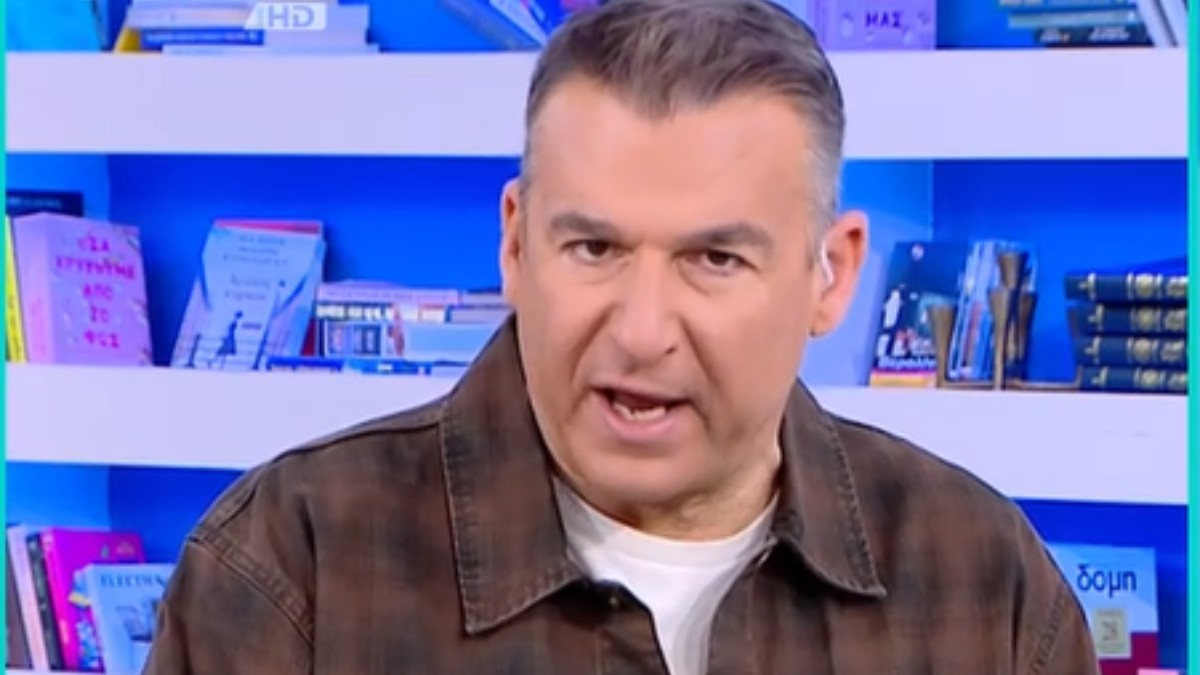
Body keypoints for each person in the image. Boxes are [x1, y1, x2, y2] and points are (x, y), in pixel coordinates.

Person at [143, 1, 1102, 673]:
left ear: (832, 274)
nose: (642, 333)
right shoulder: (290, 567)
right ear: (516, 243)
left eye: (715, 259)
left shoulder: (986, 581)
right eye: (594, 248)